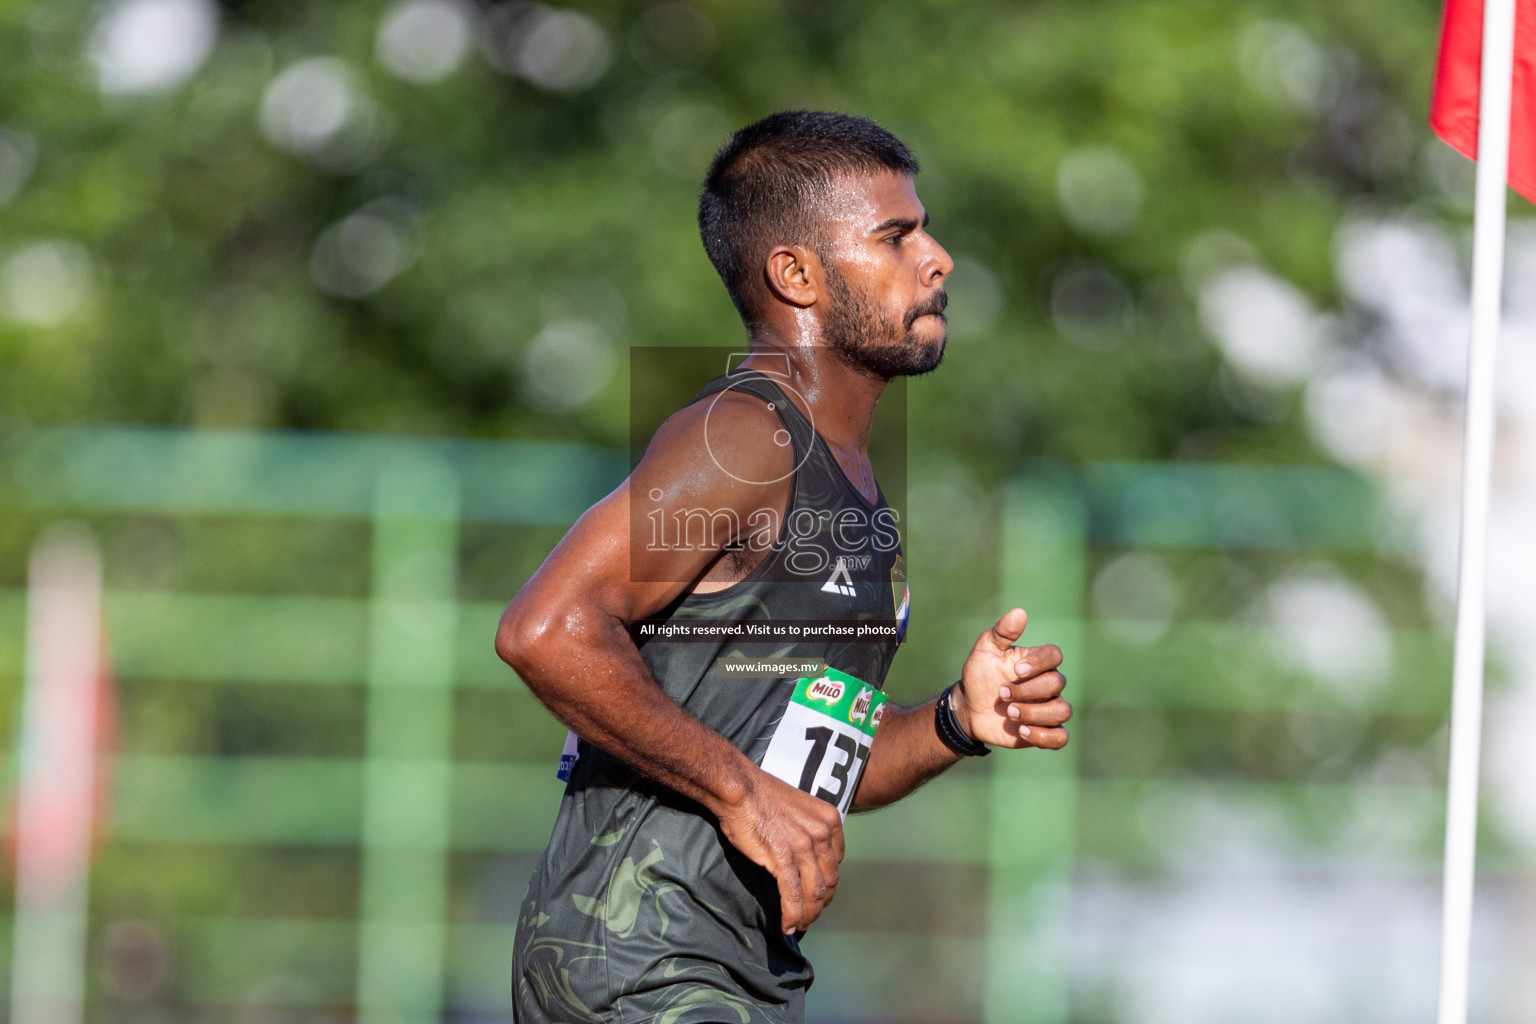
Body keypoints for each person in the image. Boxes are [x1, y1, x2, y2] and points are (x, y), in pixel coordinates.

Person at [496, 110, 1072, 1024]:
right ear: (795, 274)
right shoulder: (744, 435)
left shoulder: (851, 490)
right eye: (897, 235)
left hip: (736, 975)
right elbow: (544, 629)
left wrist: (956, 722)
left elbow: (806, 774)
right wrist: (739, 791)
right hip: (641, 963)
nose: (939, 258)